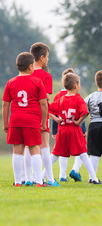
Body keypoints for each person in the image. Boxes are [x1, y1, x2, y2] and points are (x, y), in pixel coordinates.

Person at [2, 52, 53, 187]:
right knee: (35, 149)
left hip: (16, 120)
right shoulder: (37, 82)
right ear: (31, 67)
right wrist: (43, 122)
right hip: (31, 120)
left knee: (17, 150)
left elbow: (5, 105)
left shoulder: (10, 82)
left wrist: (6, 123)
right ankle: (38, 181)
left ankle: (18, 182)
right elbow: (43, 103)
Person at [48, 73, 102, 184]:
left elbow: (49, 110)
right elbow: (85, 112)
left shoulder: (61, 99)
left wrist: (56, 119)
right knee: (83, 154)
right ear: (76, 86)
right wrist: (78, 121)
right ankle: (94, 178)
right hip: (74, 130)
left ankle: (43, 176)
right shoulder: (78, 99)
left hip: (62, 130)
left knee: (55, 154)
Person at [23, 42, 57, 186]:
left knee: (27, 146)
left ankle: (27, 178)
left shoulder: (25, 75)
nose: (47, 60)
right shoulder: (45, 76)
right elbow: (46, 97)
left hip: (26, 113)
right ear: (42, 58)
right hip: (41, 114)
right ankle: (50, 179)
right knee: (44, 146)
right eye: (47, 57)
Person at [45, 68, 85, 182]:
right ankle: (75, 170)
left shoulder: (59, 95)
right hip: (73, 128)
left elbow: (54, 113)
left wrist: (54, 131)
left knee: (62, 152)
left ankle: (62, 176)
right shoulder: (75, 94)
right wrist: (83, 129)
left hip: (62, 128)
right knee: (81, 150)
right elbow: (80, 114)